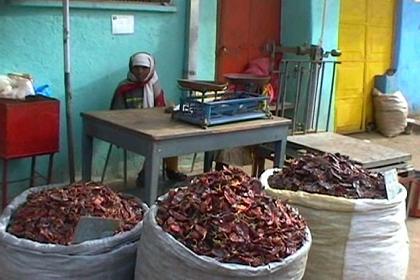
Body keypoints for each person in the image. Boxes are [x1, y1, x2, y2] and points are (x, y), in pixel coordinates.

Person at [111, 52, 187, 186]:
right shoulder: (123, 88)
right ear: (131, 68)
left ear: (151, 68)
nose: (140, 71)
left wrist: (171, 107)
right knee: (155, 143)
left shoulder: (154, 85)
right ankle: (146, 173)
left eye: (144, 68)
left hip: (153, 127)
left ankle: (170, 170)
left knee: (170, 137)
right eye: (136, 67)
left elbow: (163, 105)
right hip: (130, 130)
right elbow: (115, 114)